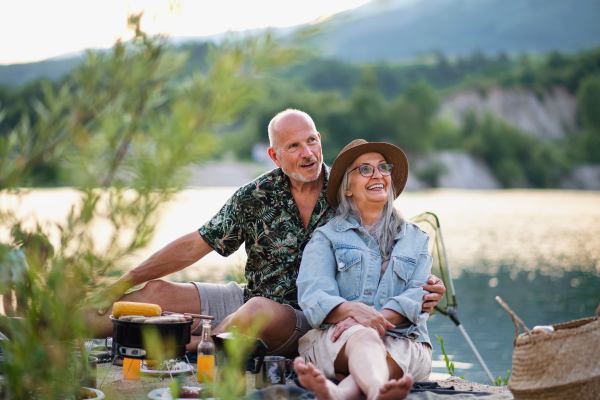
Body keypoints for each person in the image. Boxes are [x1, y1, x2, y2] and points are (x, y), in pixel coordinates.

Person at [86, 109, 446, 357]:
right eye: (293, 146)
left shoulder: (348, 186)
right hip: (248, 299)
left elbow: (395, 239)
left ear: (320, 140)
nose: (307, 153)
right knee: (153, 295)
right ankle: (51, 325)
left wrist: (427, 285)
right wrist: (125, 279)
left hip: (312, 317)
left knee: (256, 311)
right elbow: (196, 245)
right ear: (275, 155)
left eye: (311, 141)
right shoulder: (255, 196)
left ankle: (188, 345)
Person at [294, 139, 432, 400]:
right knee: (361, 337)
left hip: (403, 341)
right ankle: (377, 392)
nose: (378, 174)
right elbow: (314, 295)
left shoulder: (417, 239)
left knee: (370, 339)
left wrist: (371, 318)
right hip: (337, 339)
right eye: (365, 169)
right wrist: (351, 313)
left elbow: (418, 295)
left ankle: (340, 394)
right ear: (348, 188)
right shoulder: (325, 237)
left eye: (383, 167)